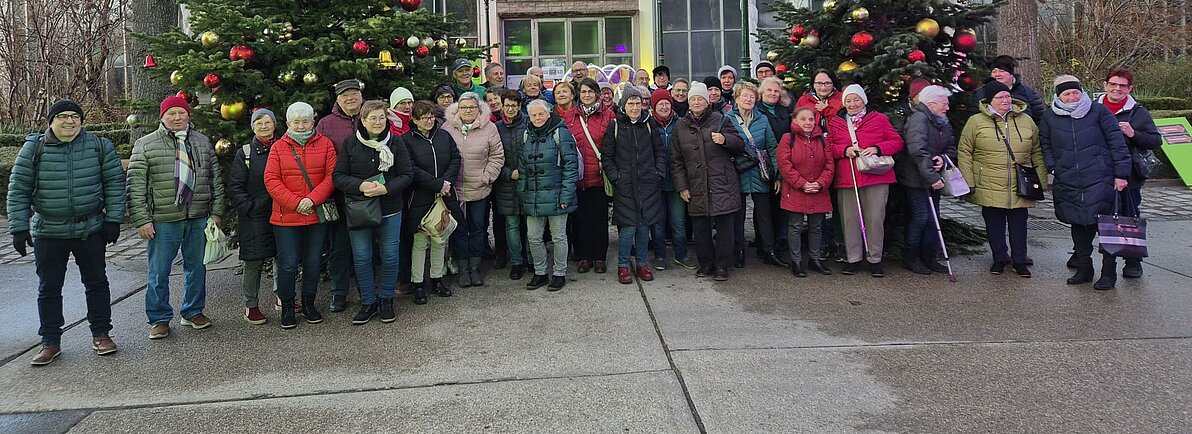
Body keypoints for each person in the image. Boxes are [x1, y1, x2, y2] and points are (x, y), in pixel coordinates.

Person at [8, 100, 125, 365]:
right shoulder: (33, 149)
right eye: (62, 116)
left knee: (96, 283)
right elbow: (18, 189)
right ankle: (50, 341)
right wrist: (18, 227)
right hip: (49, 230)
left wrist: (114, 219)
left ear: (81, 121)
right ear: (51, 121)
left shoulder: (99, 146)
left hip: (90, 228)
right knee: (49, 287)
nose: (69, 121)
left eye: (75, 116)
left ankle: (101, 333)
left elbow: (115, 183)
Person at [128, 95, 225, 338]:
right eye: (171, 113)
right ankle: (159, 318)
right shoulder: (145, 144)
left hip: (198, 216)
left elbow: (216, 181)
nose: (177, 117)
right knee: (159, 271)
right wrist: (142, 219)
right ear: (162, 117)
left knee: (197, 267)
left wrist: (217, 212)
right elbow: (135, 186)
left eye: (181, 113)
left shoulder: (202, 142)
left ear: (188, 115)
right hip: (163, 219)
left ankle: (193, 311)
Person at [1041, 75, 1131, 290]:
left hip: (1100, 178)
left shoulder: (1098, 112)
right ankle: (1084, 268)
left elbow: (1116, 143)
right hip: (1068, 179)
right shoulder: (1049, 117)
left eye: (1075, 92)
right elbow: (1045, 144)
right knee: (1079, 224)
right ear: (1058, 96)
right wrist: (1053, 166)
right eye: (1067, 93)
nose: (1072, 97)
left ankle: (1108, 273)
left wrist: (1121, 174)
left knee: (1107, 227)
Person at [334, 100, 414, 324]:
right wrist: (361, 186)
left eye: (381, 118)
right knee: (362, 258)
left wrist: (386, 188)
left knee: (389, 256)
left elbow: (407, 175)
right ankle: (368, 301)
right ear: (363, 120)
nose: (378, 122)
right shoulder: (351, 143)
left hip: (390, 208)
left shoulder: (396, 143)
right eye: (373, 118)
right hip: (360, 209)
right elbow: (338, 177)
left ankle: (386, 299)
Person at [958, 81, 1047, 278]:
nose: (1006, 100)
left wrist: (1041, 180)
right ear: (989, 101)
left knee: (1019, 224)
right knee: (994, 224)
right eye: (1000, 97)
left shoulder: (1026, 120)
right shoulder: (975, 121)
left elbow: (1037, 151)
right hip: (988, 181)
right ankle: (999, 258)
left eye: (1007, 96)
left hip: (1020, 182)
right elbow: (964, 152)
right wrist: (969, 181)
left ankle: (1019, 260)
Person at [264, 102, 337, 329]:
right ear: (288, 124)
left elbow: (332, 176)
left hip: (315, 215)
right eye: (297, 122)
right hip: (286, 217)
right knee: (287, 264)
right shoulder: (278, 147)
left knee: (313, 262)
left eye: (306, 121)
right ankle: (288, 306)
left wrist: (312, 200)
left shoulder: (325, 144)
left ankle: (308, 303)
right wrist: (297, 203)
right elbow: (271, 180)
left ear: (313, 122)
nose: (302, 125)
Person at [671, 81, 745, 281]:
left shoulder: (721, 120)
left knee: (724, 228)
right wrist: (682, 186)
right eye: (693, 99)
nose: (696, 102)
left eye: (700, 99)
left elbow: (739, 144)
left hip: (721, 182)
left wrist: (725, 139)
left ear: (707, 102)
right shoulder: (680, 126)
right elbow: (676, 160)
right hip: (695, 184)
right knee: (701, 228)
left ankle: (723, 266)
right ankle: (706, 264)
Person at [828, 84, 903, 277]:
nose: (852, 104)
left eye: (856, 100)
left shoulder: (879, 119)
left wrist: (878, 148)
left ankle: (874, 258)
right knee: (850, 219)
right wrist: (844, 150)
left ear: (864, 101)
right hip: (848, 177)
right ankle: (853, 258)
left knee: (875, 218)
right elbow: (829, 147)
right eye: (848, 101)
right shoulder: (836, 122)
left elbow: (897, 142)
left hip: (875, 176)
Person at [1095, 67, 1162, 279]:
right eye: (1113, 84)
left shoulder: (1138, 112)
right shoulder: (1091, 108)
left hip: (1129, 175)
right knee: (1093, 213)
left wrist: (1133, 133)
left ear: (1130, 88)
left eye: (1122, 86)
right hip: (1097, 172)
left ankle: (1133, 260)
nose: (1117, 89)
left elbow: (1155, 140)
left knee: (1129, 215)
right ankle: (1082, 255)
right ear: (1105, 85)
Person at [602, 86, 665, 284]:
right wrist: (616, 178)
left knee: (644, 227)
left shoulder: (649, 123)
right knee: (628, 228)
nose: (635, 107)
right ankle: (622, 266)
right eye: (631, 103)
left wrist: (658, 174)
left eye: (638, 103)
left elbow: (659, 151)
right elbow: (607, 156)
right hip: (625, 185)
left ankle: (642, 263)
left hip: (648, 183)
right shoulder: (615, 126)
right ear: (623, 105)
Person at [443, 92, 504, 287]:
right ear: (457, 109)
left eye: (472, 107)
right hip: (456, 189)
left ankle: (475, 267)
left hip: (480, 187)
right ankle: (463, 269)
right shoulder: (447, 128)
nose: (468, 111)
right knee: (460, 229)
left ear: (478, 109)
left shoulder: (489, 127)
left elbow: (497, 156)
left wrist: (486, 177)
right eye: (464, 107)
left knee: (478, 228)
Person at [895, 85, 957, 275]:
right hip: (916, 178)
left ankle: (930, 257)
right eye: (944, 104)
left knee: (932, 218)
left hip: (932, 175)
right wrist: (931, 176)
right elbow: (917, 151)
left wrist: (943, 158)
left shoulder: (942, 120)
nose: (947, 107)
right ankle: (911, 257)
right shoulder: (918, 120)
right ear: (931, 104)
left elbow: (951, 146)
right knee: (921, 217)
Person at [315, 78, 364, 313]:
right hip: (339, 196)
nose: (351, 98)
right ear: (338, 99)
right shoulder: (325, 124)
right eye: (345, 95)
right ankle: (339, 293)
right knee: (340, 247)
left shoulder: (372, 117)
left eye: (354, 93)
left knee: (368, 245)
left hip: (369, 194)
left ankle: (368, 292)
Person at [520, 100, 580, 291]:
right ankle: (540, 273)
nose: (537, 118)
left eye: (541, 114)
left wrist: (566, 196)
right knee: (534, 237)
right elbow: (522, 168)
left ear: (548, 114)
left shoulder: (560, 133)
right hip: (534, 196)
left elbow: (571, 167)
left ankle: (559, 274)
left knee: (558, 237)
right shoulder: (526, 135)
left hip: (556, 195)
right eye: (533, 115)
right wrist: (522, 193)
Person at [405, 101, 461, 304]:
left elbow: (456, 158)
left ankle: (437, 279)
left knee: (440, 238)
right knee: (420, 242)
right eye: (423, 118)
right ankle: (418, 282)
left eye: (431, 117)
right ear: (414, 120)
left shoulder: (444, 135)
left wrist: (446, 183)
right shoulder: (407, 140)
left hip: (444, 195)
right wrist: (436, 184)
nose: (429, 121)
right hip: (420, 197)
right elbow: (411, 168)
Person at [228, 109, 280, 325]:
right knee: (254, 260)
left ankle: (282, 297)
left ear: (275, 124)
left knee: (282, 256)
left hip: (281, 210)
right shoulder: (246, 153)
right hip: (254, 215)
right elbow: (236, 185)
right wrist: (250, 207)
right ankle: (251, 305)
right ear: (253, 127)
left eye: (268, 122)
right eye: (259, 123)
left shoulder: (282, 147)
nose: (264, 126)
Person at [560, 78, 615, 274]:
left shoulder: (608, 116)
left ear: (597, 94)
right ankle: (584, 256)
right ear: (578, 95)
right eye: (583, 92)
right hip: (578, 177)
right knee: (580, 220)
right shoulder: (570, 117)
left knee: (599, 219)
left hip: (599, 176)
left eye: (591, 92)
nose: (587, 95)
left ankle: (599, 257)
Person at [727, 82, 785, 268]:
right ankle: (738, 251)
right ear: (736, 99)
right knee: (738, 215)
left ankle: (768, 250)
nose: (748, 99)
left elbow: (772, 147)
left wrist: (777, 175)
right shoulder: (727, 119)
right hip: (739, 171)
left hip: (760, 171)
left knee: (764, 214)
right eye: (744, 95)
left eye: (752, 96)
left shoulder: (762, 119)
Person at [777, 107, 834, 277]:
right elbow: (784, 164)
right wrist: (802, 183)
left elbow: (830, 165)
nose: (808, 123)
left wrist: (820, 183)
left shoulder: (822, 140)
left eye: (811, 119)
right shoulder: (788, 138)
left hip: (818, 189)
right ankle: (796, 261)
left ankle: (814, 259)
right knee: (795, 225)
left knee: (816, 225)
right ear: (795, 120)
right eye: (803, 119)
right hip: (796, 189)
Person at [648, 89, 697, 270]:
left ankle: (681, 254)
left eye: (667, 103)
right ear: (654, 106)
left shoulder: (681, 123)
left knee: (678, 221)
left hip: (677, 181)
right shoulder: (649, 124)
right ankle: (660, 256)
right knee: (658, 223)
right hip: (656, 182)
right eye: (660, 103)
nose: (664, 106)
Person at [494, 89, 531, 280]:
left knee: (532, 225)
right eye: (507, 105)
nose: (510, 109)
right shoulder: (496, 128)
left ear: (519, 107)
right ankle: (516, 261)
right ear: (501, 105)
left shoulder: (529, 123)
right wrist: (508, 173)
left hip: (528, 182)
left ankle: (532, 260)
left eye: (514, 106)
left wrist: (524, 172)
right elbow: (491, 158)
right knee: (512, 225)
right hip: (506, 184)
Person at [970, 55, 1046, 122]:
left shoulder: (1027, 93)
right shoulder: (981, 94)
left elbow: (1040, 120)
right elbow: (973, 121)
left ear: (1011, 74)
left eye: (1001, 71)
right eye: (994, 71)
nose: (997, 75)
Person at [795, 69, 844, 134]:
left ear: (833, 84)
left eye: (827, 83)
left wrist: (827, 110)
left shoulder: (842, 99)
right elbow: (795, 125)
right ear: (813, 84)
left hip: (836, 141)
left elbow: (844, 124)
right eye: (819, 83)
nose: (823, 87)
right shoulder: (804, 100)